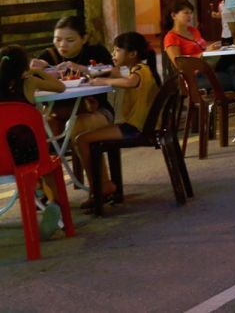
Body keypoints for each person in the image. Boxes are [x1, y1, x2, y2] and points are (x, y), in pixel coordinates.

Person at [73, 32, 161, 210]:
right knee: (85, 137)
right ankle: (100, 187)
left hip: (135, 128)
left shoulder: (140, 71)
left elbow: (130, 82)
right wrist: (91, 72)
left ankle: (99, 188)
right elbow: (117, 73)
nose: (113, 54)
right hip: (136, 125)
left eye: (117, 50)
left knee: (81, 139)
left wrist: (102, 81)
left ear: (132, 54)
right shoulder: (138, 69)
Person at [0, 45, 67, 239]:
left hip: (2, 159)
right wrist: (36, 71)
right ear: (24, 68)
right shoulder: (29, 83)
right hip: (30, 158)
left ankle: (36, 191)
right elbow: (60, 87)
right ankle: (53, 203)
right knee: (46, 162)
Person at [36, 15, 115, 141]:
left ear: (84, 38)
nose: (62, 45)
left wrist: (83, 68)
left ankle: (90, 160)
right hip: (57, 111)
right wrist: (34, 70)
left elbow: (113, 73)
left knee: (78, 127)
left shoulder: (96, 52)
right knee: (41, 126)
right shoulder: (48, 56)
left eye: (70, 40)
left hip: (96, 109)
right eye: (58, 39)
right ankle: (53, 161)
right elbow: (34, 86)